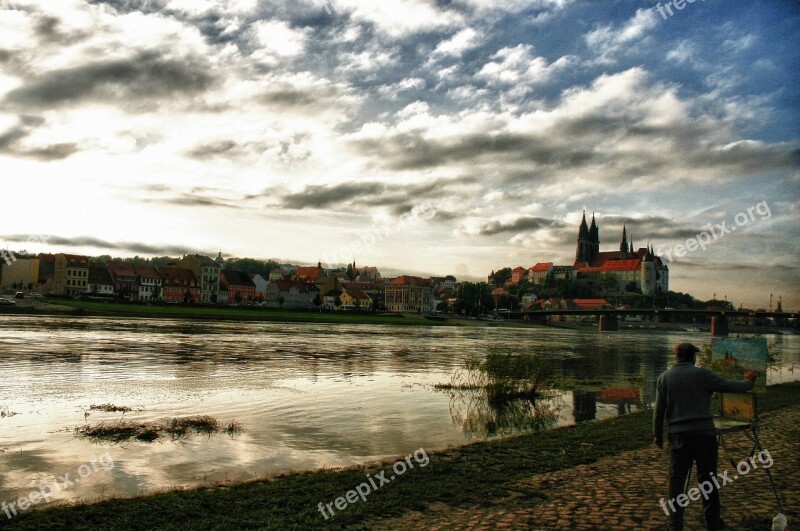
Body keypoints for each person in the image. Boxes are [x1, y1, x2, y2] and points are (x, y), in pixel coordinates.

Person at [653, 342, 756, 530]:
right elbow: (728, 386)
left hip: (678, 436)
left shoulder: (664, 378)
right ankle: (713, 522)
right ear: (692, 357)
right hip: (704, 435)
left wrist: (657, 435)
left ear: (676, 357)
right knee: (708, 480)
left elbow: (659, 412)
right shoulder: (702, 374)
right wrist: (749, 382)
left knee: (676, 481)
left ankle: (675, 524)